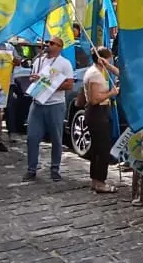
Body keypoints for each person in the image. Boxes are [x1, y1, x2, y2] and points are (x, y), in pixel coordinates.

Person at [24, 36, 74, 181]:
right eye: (47, 42)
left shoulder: (64, 63)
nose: (48, 45)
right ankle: (31, 169)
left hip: (55, 105)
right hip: (37, 103)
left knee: (56, 139)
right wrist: (34, 80)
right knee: (32, 137)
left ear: (59, 47)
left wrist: (49, 85)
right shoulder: (38, 61)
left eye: (52, 43)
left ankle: (55, 169)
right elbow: (33, 79)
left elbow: (69, 85)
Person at [82, 48, 120, 193]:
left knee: (99, 147)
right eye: (109, 59)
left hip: (102, 112)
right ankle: (99, 181)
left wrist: (108, 66)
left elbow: (121, 74)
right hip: (97, 113)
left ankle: (96, 179)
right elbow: (94, 99)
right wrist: (111, 93)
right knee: (102, 149)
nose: (110, 61)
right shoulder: (95, 75)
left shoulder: (100, 71)